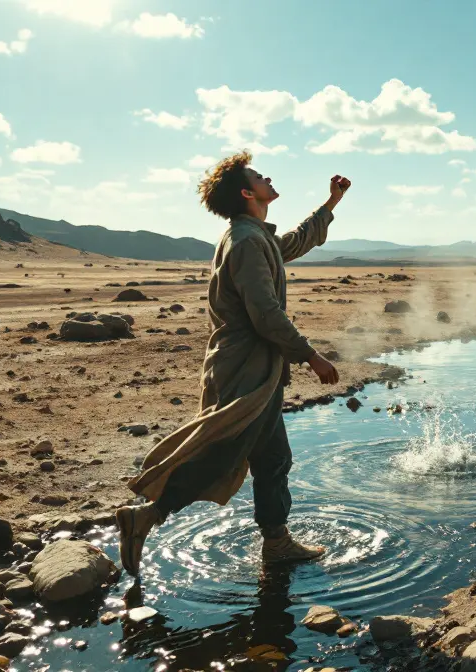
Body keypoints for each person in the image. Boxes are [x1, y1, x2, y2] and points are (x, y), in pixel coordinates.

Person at [115, 151, 351, 576]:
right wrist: (310, 355)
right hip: (246, 370)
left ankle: (276, 543)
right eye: (260, 176)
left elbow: (294, 242)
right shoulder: (244, 242)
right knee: (222, 455)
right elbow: (265, 314)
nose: (268, 177)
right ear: (247, 193)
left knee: (272, 458)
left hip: (256, 369)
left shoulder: (254, 236)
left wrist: (330, 203)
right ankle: (146, 516)